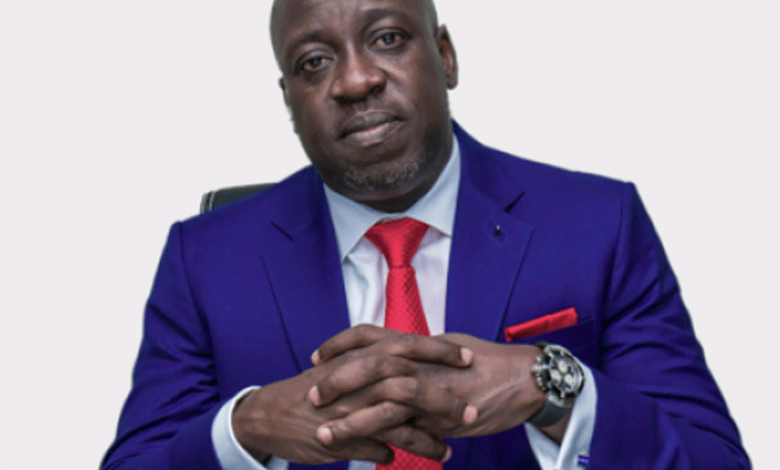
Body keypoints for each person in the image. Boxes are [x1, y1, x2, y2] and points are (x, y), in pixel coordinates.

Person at [102, 0, 750, 469]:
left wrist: (551, 388)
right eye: (314, 61)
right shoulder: (205, 258)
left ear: (445, 55)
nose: (355, 81)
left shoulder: (598, 225)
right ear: (288, 97)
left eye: (386, 38)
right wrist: (246, 428)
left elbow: (711, 459)